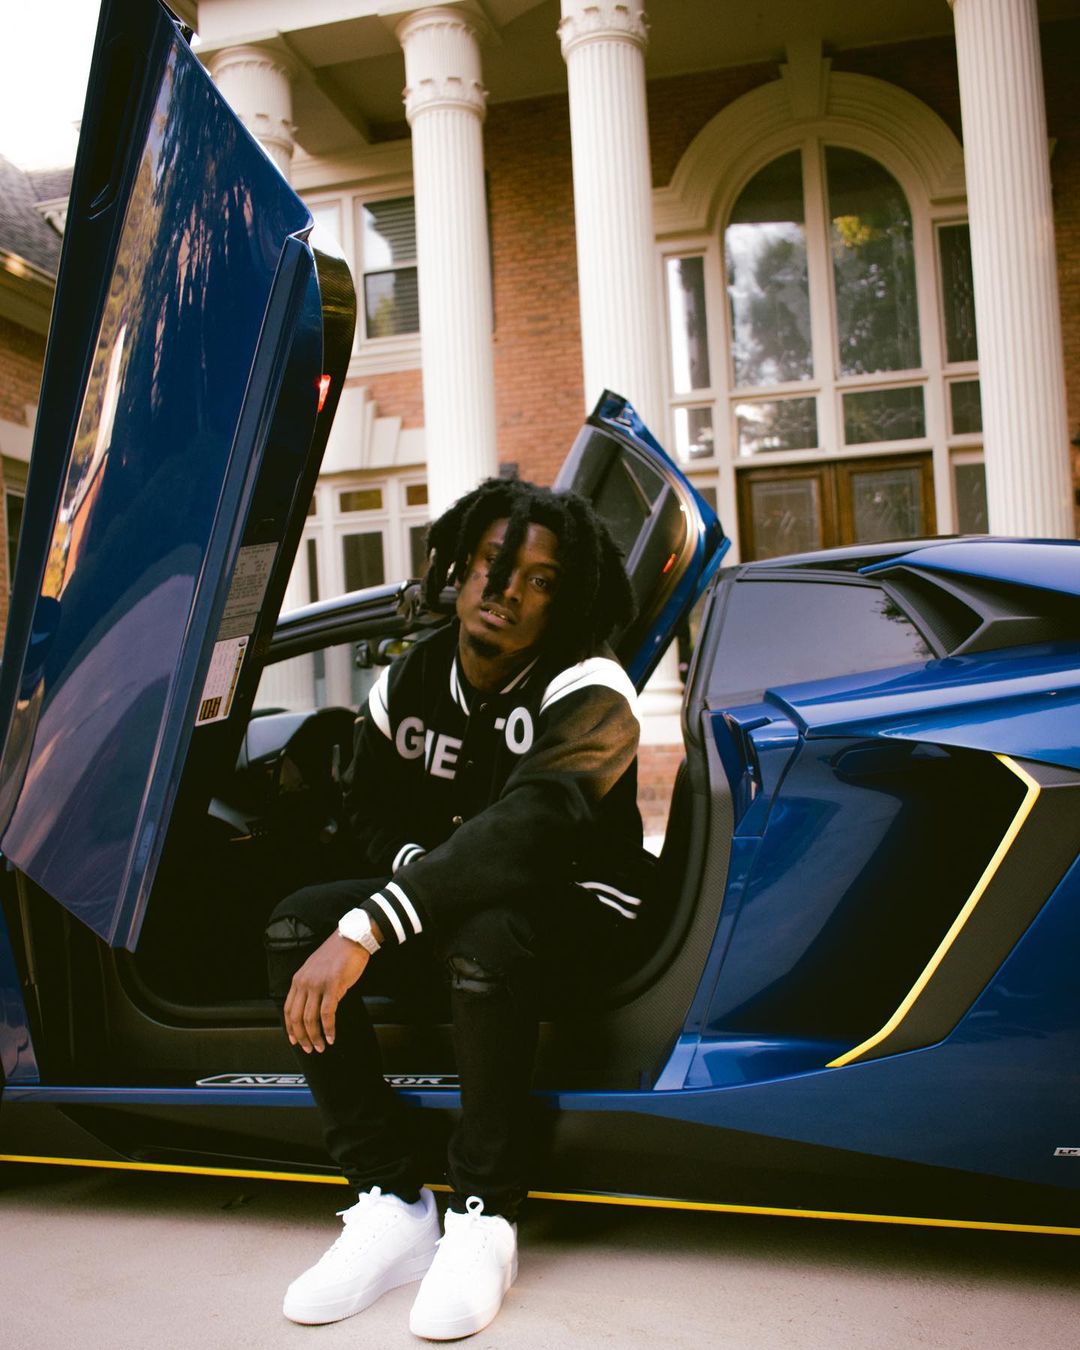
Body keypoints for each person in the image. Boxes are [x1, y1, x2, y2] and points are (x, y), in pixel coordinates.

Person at [264, 477, 654, 1340]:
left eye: (539, 579)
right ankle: (390, 1200)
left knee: (483, 930)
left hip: (582, 905)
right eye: (489, 562)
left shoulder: (590, 686)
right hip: (456, 896)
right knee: (297, 925)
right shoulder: (414, 675)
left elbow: (527, 837)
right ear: (461, 566)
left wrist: (374, 924)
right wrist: (408, 877)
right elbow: (365, 811)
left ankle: (486, 1214)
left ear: (566, 598)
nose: (504, 589)